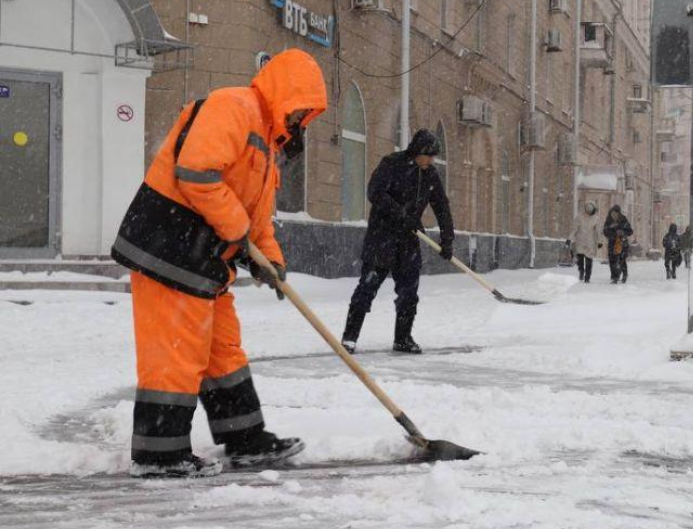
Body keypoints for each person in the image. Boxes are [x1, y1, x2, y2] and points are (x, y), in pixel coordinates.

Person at [110, 48, 328, 477]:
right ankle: (160, 455)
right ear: (284, 92)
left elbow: (255, 217)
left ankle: (245, 439)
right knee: (176, 355)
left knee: (222, 351)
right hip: (169, 249)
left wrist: (270, 261)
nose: (302, 118)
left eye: (308, 112)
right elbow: (196, 173)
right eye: (300, 106)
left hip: (204, 261)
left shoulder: (267, 143)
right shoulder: (234, 106)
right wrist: (237, 233)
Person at [341, 129, 455, 355]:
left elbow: (441, 206)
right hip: (381, 238)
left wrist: (447, 239)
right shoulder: (392, 163)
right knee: (367, 289)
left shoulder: (430, 174)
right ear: (418, 151)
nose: (432, 161)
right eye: (429, 156)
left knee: (409, 293)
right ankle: (349, 338)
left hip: (408, 241)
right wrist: (402, 215)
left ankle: (403, 339)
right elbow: (375, 193)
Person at [570, 201, 603, 283]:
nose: (588, 211)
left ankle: (587, 277)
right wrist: (569, 238)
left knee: (589, 260)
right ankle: (581, 271)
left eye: (590, 209)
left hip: (590, 242)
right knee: (580, 259)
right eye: (587, 209)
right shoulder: (579, 217)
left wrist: (600, 241)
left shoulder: (596, 219)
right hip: (580, 240)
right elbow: (574, 228)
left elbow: (598, 231)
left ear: (593, 209)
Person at [603, 205, 634, 283]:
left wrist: (622, 232)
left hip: (622, 243)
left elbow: (630, 231)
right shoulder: (609, 220)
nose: (614, 215)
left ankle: (624, 274)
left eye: (616, 213)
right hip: (612, 243)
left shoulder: (623, 219)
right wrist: (612, 232)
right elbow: (605, 231)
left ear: (619, 213)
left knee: (621, 260)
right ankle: (614, 277)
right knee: (612, 260)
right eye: (612, 213)